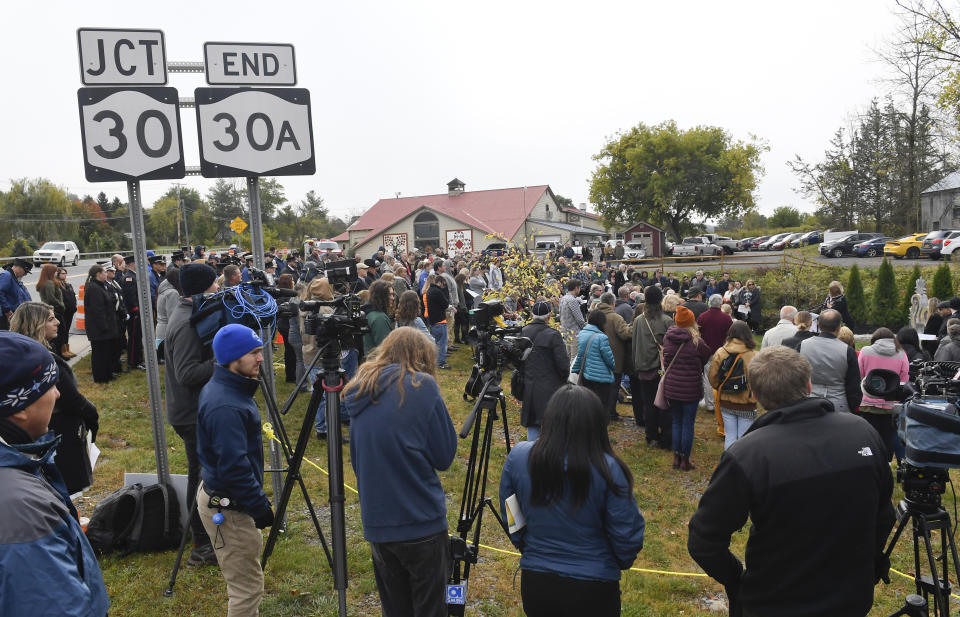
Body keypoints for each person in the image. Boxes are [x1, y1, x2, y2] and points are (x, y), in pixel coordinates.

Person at [688, 346, 895, 617]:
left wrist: (736, 578)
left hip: (776, 600)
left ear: (756, 395)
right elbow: (884, 516)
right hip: (848, 596)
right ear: (808, 384)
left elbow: (704, 540)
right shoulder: (862, 432)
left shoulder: (748, 454)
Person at [499, 385, 645, 617]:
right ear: (596, 424)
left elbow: (511, 512)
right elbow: (627, 532)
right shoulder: (609, 468)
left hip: (538, 582)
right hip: (593, 585)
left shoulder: (518, 458)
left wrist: (525, 544)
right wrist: (616, 561)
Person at [343, 327, 457, 617]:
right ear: (423, 358)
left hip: (379, 523)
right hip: (420, 521)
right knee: (432, 608)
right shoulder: (423, 386)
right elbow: (444, 456)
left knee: (395, 608)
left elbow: (357, 460)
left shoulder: (361, 388)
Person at [0, 331, 109, 617]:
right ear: (19, 407)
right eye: (50, 386)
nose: (58, 394)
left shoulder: (18, 465)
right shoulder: (20, 509)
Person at [196, 325, 274, 617]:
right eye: (253, 353)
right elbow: (234, 467)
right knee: (246, 589)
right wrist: (259, 506)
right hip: (230, 507)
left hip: (226, 499)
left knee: (245, 584)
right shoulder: (226, 404)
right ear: (232, 358)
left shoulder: (230, 389)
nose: (261, 358)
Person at [10, 301, 99, 493]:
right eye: (51, 319)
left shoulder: (21, 357)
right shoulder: (42, 362)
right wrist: (93, 415)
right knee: (62, 491)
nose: (58, 322)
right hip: (59, 435)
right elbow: (70, 398)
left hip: (44, 435)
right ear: (35, 324)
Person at [164, 262, 220, 566]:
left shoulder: (189, 312)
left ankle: (207, 539)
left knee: (202, 475)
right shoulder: (186, 322)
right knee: (201, 479)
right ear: (205, 287)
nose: (218, 289)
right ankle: (202, 546)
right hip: (191, 413)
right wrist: (224, 360)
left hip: (192, 410)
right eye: (215, 285)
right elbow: (187, 373)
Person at [662, 305, 711, 470]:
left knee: (676, 422)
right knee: (687, 424)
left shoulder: (668, 338)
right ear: (692, 322)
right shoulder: (697, 342)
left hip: (672, 387)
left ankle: (676, 457)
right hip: (690, 388)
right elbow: (705, 357)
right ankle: (684, 460)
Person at [519, 301, 570, 441]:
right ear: (549, 317)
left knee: (533, 423)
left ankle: (531, 453)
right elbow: (563, 365)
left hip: (529, 384)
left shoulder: (523, 331)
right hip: (550, 387)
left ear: (532, 315)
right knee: (551, 424)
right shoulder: (554, 335)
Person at [858, 327, 909, 462]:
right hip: (891, 405)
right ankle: (886, 463)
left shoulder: (865, 351)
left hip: (868, 402)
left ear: (874, 338)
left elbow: (861, 375)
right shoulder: (902, 354)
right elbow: (904, 380)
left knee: (868, 436)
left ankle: (868, 462)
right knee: (888, 436)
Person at [631, 286, 673, 447]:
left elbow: (634, 345)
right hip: (661, 369)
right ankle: (665, 435)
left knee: (648, 403)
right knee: (663, 403)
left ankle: (651, 435)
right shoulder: (667, 321)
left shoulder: (638, 321)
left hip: (643, 367)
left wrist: (636, 364)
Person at [799, 309, 862, 414]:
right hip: (839, 404)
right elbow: (853, 386)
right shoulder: (848, 351)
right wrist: (854, 409)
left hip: (808, 401)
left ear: (818, 324)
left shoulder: (802, 345)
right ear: (839, 327)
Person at [708, 320, 758, 449]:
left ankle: (728, 464)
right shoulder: (753, 355)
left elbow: (712, 377)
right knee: (744, 439)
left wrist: (720, 388)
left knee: (730, 436)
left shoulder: (721, 352)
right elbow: (757, 380)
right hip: (747, 403)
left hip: (726, 400)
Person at [595, 292, 632, 421]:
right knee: (614, 386)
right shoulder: (615, 317)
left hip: (597, 358)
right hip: (614, 356)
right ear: (612, 303)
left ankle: (600, 411)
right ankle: (610, 413)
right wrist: (633, 328)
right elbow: (625, 334)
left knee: (600, 387)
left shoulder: (594, 315)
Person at [570, 310, 616, 412]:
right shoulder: (602, 337)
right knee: (602, 405)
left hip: (587, 375)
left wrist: (576, 369)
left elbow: (580, 354)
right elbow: (608, 358)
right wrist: (613, 366)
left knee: (589, 404)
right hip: (602, 377)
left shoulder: (582, 334)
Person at [83, 265, 122, 383]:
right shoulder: (94, 288)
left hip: (105, 327)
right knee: (100, 354)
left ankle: (108, 374)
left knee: (106, 353)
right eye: (105, 272)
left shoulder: (101, 286)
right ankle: (101, 377)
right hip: (99, 329)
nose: (106, 274)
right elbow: (97, 310)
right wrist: (104, 327)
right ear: (98, 274)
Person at [36, 264, 65, 357]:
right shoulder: (49, 283)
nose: (56, 273)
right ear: (50, 272)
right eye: (55, 271)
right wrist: (61, 305)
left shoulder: (46, 282)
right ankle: (59, 354)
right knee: (58, 333)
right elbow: (51, 298)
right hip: (54, 310)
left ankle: (59, 353)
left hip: (49, 310)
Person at [425, 274, 451, 369]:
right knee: (442, 343)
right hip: (440, 320)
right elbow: (445, 304)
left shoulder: (430, 290)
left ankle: (434, 361)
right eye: (443, 284)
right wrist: (444, 290)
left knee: (434, 342)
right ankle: (441, 363)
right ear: (439, 282)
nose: (443, 286)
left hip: (432, 320)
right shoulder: (437, 291)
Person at [363, 280, 395, 356]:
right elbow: (385, 350)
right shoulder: (380, 318)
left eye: (393, 294)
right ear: (381, 296)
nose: (393, 298)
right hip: (379, 363)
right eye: (389, 295)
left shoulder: (369, 312)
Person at [0, 258, 32, 330]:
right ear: (19, 268)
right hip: (6, 316)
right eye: (25, 271)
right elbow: (0, 293)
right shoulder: (6, 275)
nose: (25, 274)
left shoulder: (13, 277)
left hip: (12, 315)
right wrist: (7, 310)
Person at [58, 266, 78, 359]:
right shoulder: (57, 285)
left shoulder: (68, 285)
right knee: (63, 331)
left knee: (67, 330)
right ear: (58, 274)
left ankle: (67, 348)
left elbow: (73, 297)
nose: (65, 275)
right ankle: (62, 350)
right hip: (64, 312)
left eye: (65, 273)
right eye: (62, 273)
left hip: (71, 310)